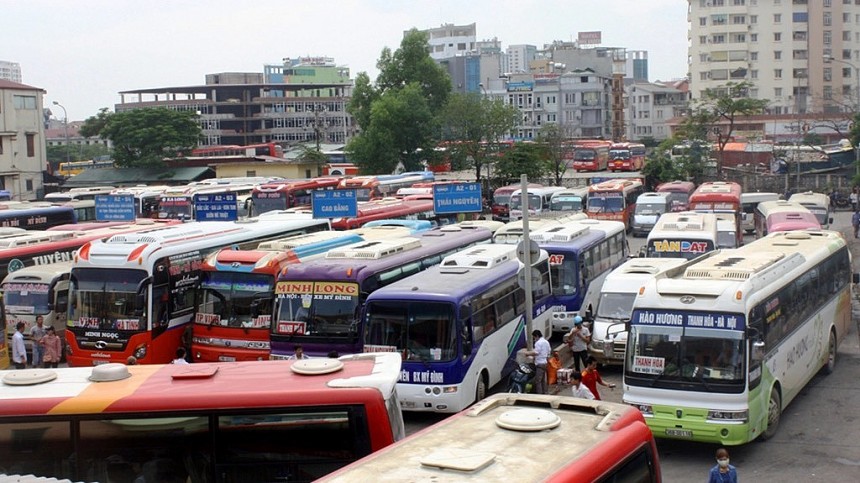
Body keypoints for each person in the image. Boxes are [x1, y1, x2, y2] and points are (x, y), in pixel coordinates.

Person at [525, 330, 551, 394]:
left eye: (534, 338)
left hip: (540, 363)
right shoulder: (546, 342)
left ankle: (540, 394)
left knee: (538, 381)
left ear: (536, 336)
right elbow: (549, 351)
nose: (534, 339)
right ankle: (545, 392)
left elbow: (536, 352)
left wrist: (528, 353)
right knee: (543, 380)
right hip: (545, 362)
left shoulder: (538, 343)